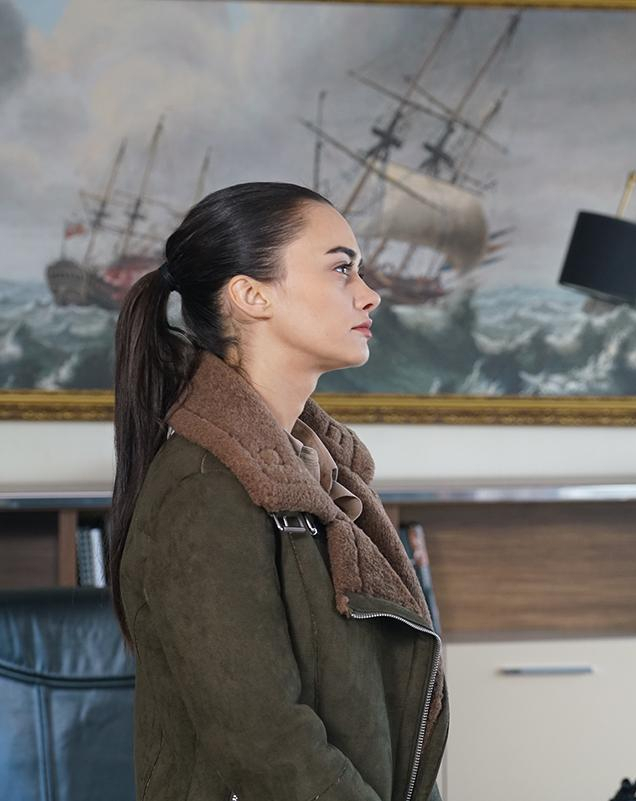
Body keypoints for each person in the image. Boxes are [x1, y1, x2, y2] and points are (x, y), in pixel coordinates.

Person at [108, 182, 447, 801]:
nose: (369, 294)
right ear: (251, 295)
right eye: (341, 269)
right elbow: (267, 745)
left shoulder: (326, 474)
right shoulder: (202, 489)